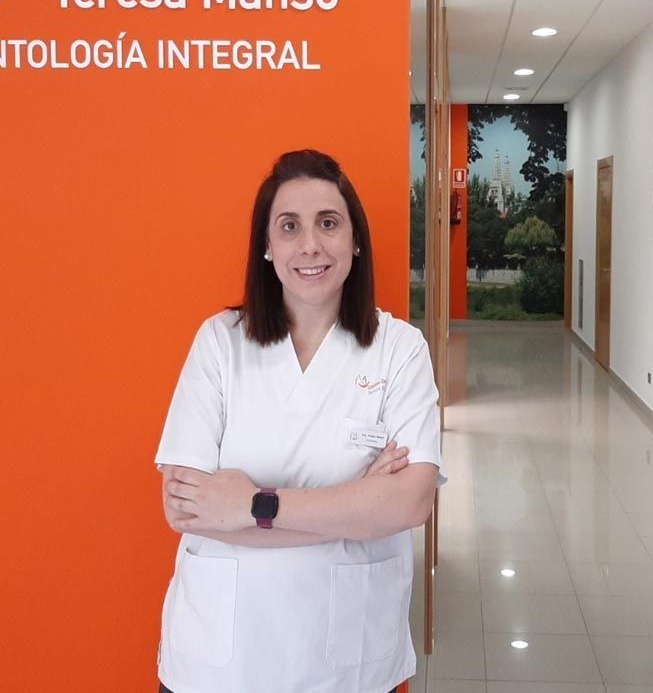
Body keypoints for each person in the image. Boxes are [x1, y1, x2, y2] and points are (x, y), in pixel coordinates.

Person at [154, 149, 445, 693]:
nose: (310, 244)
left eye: (328, 223)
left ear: (356, 240)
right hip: (220, 662)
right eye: (289, 227)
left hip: (346, 665)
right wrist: (352, 505)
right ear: (267, 247)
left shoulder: (400, 349)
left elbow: (409, 502)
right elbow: (187, 507)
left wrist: (250, 508)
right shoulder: (220, 342)